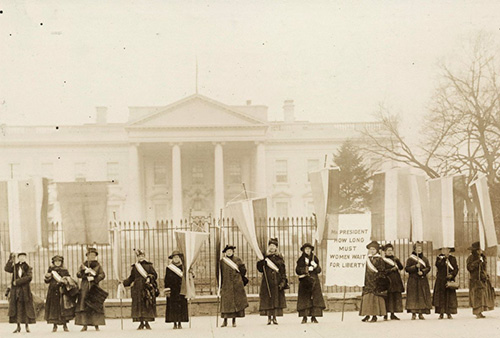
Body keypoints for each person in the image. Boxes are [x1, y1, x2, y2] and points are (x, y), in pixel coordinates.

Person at [121, 249, 158, 330]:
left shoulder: (149, 266)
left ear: (144, 256)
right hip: (137, 288)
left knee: (147, 304)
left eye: (142, 256)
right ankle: (141, 323)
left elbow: (155, 275)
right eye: (139, 256)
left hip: (146, 287)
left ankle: (147, 323)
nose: (140, 257)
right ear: (137, 257)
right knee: (139, 305)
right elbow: (131, 278)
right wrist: (123, 282)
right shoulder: (135, 267)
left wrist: (149, 277)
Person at [257, 238, 288, 325]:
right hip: (267, 281)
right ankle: (268, 318)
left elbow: (282, 270)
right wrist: (261, 262)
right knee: (268, 299)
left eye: (273, 246)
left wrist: (283, 281)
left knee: (275, 299)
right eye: (270, 246)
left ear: (276, 248)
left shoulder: (279, 258)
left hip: (276, 281)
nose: (272, 248)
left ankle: (274, 317)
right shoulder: (264, 257)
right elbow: (260, 269)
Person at [75, 247, 106, 331]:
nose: (92, 257)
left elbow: (102, 275)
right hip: (85, 287)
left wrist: (94, 279)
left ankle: (96, 324)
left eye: (93, 255)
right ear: (87, 256)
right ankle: (84, 324)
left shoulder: (98, 266)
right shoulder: (83, 265)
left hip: (94, 286)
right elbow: (78, 274)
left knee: (95, 305)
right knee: (84, 305)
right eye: (90, 255)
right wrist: (84, 273)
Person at [4, 252, 36, 333]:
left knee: (25, 308)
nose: (22, 258)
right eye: (20, 257)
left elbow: (29, 277)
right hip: (16, 291)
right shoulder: (15, 266)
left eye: (23, 257)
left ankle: (26, 326)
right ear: (18, 258)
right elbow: (7, 269)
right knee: (17, 308)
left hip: (25, 291)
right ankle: (18, 326)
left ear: (25, 258)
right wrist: (10, 259)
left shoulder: (28, 267)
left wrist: (17, 282)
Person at [44, 255, 78, 332]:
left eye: (59, 261)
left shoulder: (64, 270)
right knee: (54, 308)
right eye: (56, 261)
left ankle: (65, 325)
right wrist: (47, 277)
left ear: (61, 262)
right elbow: (47, 281)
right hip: (53, 291)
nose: (57, 263)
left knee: (63, 308)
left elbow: (69, 280)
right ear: (53, 262)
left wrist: (65, 281)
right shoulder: (51, 270)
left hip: (62, 291)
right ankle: (54, 325)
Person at [219, 245, 249, 327]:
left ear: (233, 252)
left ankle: (233, 321)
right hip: (226, 285)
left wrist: (238, 277)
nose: (229, 252)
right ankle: (225, 321)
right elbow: (220, 273)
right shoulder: (222, 261)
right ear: (225, 253)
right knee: (226, 304)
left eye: (230, 251)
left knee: (235, 304)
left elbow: (243, 270)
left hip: (236, 284)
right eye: (227, 251)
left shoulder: (237, 260)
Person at [295, 242, 325, 324]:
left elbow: (319, 270)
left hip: (314, 280)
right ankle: (304, 317)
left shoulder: (314, 258)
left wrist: (315, 266)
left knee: (314, 299)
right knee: (305, 299)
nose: (307, 250)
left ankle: (313, 317)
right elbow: (297, 270)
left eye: (309, 249)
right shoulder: (301, 259)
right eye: (306, 249)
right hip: (305, 281)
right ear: (304, 250)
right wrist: (306, 269)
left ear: (311, 250)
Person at [359, 241, 387, 323]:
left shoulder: (379, 259)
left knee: (374, 298)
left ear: (377, 250)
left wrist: (377, 278)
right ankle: (367, 315)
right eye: (370, 249)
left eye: (374, 249)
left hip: (375, 281)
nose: (372, 251)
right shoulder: (366, 259)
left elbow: (382, 271)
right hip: (367, 281)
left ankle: (374, 316)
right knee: (367, 298)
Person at [466, 241, 495, 318]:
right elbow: (469, 268)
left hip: (482, 279)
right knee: (476, 296)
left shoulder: (482, 257)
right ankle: (477, 312)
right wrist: (477, 262)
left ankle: (481, 310)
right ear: (475, 250)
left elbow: (484, 268)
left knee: (482, 295)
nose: (480, 251)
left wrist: (485, 274)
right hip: (475, 279)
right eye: (479, 250)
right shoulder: (471, 258)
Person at [405, 241, 432, 320]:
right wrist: (415, 267)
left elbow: (428, 267)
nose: (419, 250)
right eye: (417, 248)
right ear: (414, 249)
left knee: (421, 296)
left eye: (420, 248)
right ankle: (413, 313)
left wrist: (423, 272)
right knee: (413, 297)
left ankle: (421, 313)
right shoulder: (410, 259)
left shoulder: (424, 259)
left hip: (422, 280)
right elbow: (407, 269)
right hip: (413, 280)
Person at [164, 250, 189, 329]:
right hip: (173, 290)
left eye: (177, 257)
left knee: (181, 306)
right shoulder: (169, 268)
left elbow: (187, 278)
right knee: (173, 307)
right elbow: (166, 279)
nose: (176, 259)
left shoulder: (184, 268)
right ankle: (174, 323)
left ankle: (180, 323)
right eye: (174, 257)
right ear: (172, 259)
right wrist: (167, 290)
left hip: (181, 289)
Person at [432, 247, 458, 319]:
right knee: (441, 297)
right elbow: (438, 265)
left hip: (449, 279)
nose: (445, 251)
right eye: (443, 250)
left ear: (449, 250)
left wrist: (452, 275)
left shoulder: (453, 258)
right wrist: (444, 259)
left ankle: (449, 313)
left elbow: (456, 268)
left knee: (449, 297)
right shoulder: (439, 258)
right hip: (441, 280)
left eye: (446, 249)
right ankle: (441, 313)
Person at [380, 244, 404, 320]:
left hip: (396, 281)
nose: (390, 252)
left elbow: (401, 268)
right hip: (388, 281)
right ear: (385, 252)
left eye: (391, 250)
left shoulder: (395, 259)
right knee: (388, 298)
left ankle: (393, 314)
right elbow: (382, 271)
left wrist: (397, 261)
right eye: (388, 250)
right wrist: (391, 270)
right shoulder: (383, 260)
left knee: (394, 297)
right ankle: (385, 314)